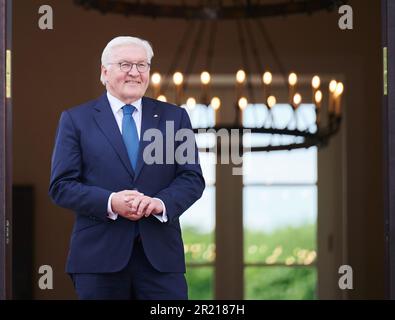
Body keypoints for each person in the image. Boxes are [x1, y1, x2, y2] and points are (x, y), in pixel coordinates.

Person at [49, 36, 205, 300]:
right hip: (97, 260)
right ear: (104, 71)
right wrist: (111, 202)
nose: (135, 72)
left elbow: (191, 178)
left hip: (161, 259)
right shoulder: (76, 119)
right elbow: (61, 186)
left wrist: (160, 203)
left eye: (142, 65)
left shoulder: (175, 117)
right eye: (125, 64)